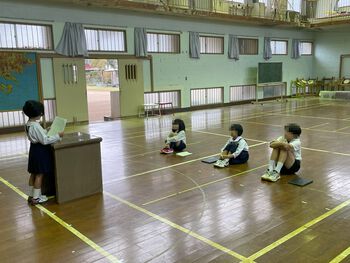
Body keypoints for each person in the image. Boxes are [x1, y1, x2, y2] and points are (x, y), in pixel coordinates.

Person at [23, 100, 64, 205]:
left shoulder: (29, 124)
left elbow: (39, 135)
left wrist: (46, 130)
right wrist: (58, 136)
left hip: (34, 151)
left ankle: (32, 195)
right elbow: (45, 140)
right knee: (39, 174)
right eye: (41, 112)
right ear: (36, 113)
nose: (42, 114)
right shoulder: (36, 126)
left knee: (33, 173)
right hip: (40, 152)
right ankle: (36, 199)